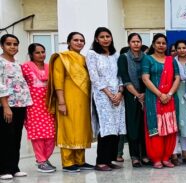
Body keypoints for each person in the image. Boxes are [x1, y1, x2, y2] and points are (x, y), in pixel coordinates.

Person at [48, 32, 95, 172]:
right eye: (76, 40)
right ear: (69, 42)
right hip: (67, 99)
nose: (79, 42)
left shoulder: (84, 59)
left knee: (81, 129)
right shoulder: (62, 58)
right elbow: (58, 81)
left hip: (83, 100)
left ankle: (80, 161)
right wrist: (61, 102)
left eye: (82, 40)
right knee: (68, 128)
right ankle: (67, 163)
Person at [86, 27, 127, 171]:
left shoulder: (115, 55)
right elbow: (94, 77)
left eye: (108, 36)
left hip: (118, 95)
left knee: (115, 129)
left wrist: (120, 92)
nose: (105, 39)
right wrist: (109, 94)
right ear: (96, 39)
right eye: (102, 37)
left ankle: (110, 159)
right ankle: (101, 161)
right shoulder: (92, 54)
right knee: (105, 128)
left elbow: (121, 75)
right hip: (102, 96)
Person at [142, 34, 181, 169]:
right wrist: (160, 94)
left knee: (169, 128)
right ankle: (156, 158)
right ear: (153, 44)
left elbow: (177, 78)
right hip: (153, 98)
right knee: (156, 128)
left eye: (163, 43)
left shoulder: (171, 60)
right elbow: (145, 79)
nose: (161, 45)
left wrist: (169, 94)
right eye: (158, 43)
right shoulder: (148, 59)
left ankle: (166, 157)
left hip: (170, 98)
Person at [0, 34, 32, 180]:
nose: (12, 47)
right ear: (2, 46)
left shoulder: (16, 62)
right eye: (8, 44)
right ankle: (3, 169)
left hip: (20, 104)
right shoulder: (0, 62)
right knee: (5, 137)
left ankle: (14, 168)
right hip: (7, 105)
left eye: (15, 44)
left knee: (16, 137)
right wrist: (5, 106)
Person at [20, 43, 56, 173]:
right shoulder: (25, 67)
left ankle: (44, 159)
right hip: (33, 105)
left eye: (43, 52)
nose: (41, 55)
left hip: (49, 104)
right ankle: (41, 161)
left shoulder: (50, 67)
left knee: (51, 134)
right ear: (31, 54)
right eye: (37, 52)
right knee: (38, 135)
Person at [117, 33, 148, 167]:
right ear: (129, 43)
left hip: (147, 94)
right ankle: (135, 156)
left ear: (141, 43)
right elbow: (125, 78)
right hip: (131, 95)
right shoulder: (123, 58)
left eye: (138, 41)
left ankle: (145, 154)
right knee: (133, 126)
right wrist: (137, 95)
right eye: (133, 41)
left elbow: (150, 77)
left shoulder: (147, 58)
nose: (136, 44)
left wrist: (144, 94)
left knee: (145, 126)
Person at [173, 39, 186, 164]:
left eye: (184, 48)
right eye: (179, 48)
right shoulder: (171, 62)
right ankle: (174, 153)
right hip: (175, 92)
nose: (181, 50)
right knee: (176, 123)